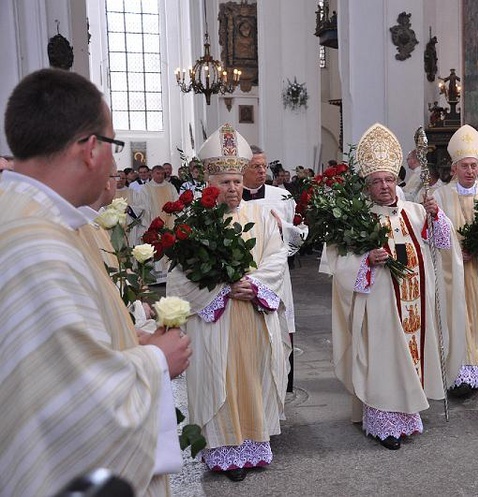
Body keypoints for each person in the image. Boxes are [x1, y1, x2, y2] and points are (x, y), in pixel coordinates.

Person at [0, 68, 191, 497]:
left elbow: (48, 356)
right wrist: (158, 360)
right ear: (91, 149)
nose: (113, 161)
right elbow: (73, 403)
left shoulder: (24, 215)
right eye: (113, 146)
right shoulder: (38, 244)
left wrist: (123, 340)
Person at [322, 123, 465, 450]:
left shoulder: (415, 211)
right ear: (367, 187)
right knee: (384, 359)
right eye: (377, 182)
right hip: (381, 306)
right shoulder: (356, 219)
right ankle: (384, 421)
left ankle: (408, 413)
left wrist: (436, 215)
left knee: (412, 354)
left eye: (389, 179)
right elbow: (338, 264)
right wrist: (366, 260)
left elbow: (442, 244)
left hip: (417, 301)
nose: (384, 187)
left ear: (397, 180)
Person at [167, 123, 289, 481]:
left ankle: (253, 441)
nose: (233, 188)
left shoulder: (262, 216)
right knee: (218, 378)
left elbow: (276, 257)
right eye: (225, 182)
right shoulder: (192, 224)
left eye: (237, 181)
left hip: (251, 311)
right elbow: (178, 277)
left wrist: (251, 284)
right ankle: (225, 448)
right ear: (210, 185)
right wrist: (221, 289)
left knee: (252, 376)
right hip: (214, 320)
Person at [433, 124, 478, 395]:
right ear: (454, 168)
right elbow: (430, 235)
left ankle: (477, 368)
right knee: (455, 318)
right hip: (451, 272)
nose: (471, 171)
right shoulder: (439, 196)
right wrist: (452, 250)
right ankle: (456, 371)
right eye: (465, 166)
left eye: (475, 166)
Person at [241, 144, 307, 391]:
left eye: (263, 166)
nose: (261, 171)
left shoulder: (282, 197)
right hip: (245, 274)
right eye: (255, 166)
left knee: (279, 324)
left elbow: (296, 239)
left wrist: (283, 229)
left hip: (276, 273)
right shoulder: (230, 196)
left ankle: (279, 382)